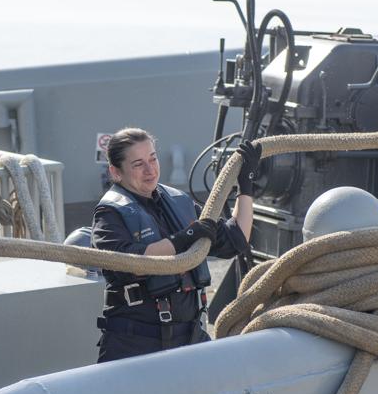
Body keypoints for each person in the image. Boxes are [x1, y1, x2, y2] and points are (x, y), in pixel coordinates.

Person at [92, 128, 258, 362]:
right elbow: (129, 263)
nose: (150, 170)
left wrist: (246, 186)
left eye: (153, 158)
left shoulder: (178, 202)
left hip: (190, 339)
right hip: (136, 345)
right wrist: (185, 237)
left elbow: (235, 240)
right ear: (116, 172)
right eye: (138, 164)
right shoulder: (109, 214)